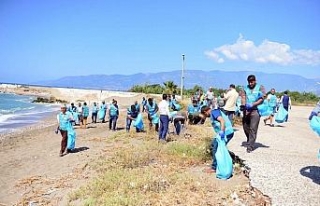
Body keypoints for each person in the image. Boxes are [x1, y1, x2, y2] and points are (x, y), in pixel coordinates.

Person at [201, 105, 234, 173]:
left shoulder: (214, 112)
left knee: (215, 147)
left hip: (226, 133)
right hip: (225, 133)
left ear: (205, 112)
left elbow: (222, 120)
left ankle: (214, 167)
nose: (206, 116)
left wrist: (222, 132)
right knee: (216, 146)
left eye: (205, 114)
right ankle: (222, 163)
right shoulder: (214, 113)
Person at [240, 74, 265, 153]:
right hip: (246, 110)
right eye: (249, 82)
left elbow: (261, 99)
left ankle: (250, 145)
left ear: (255, 81)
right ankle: (249, 138)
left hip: (255, 110)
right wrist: (243, 105)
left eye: (252, 81)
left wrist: (253, 104)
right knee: (245, 126)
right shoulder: (244, 88)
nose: (250, 83)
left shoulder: (260, 87)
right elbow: (243, 97)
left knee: (253, 128)